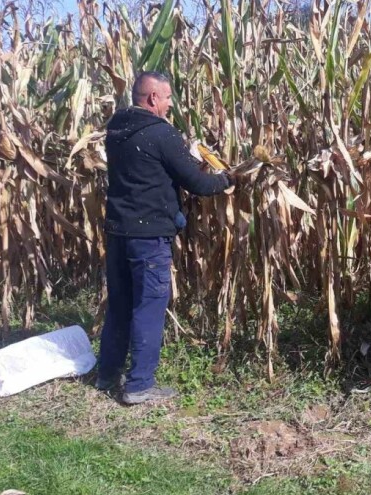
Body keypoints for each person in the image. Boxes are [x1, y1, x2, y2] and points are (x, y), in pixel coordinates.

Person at [96, 71, 239, 404]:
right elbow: (200, 186)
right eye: (169, 97)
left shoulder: (116, 129)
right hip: (148, 237)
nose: (171, 104)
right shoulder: (161, 134)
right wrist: (229, 178)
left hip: (118, 231)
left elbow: (149, 171)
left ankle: (107, 375)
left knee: (119, 305)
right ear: (152, 99)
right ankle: (139, 385)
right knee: (148, 307)